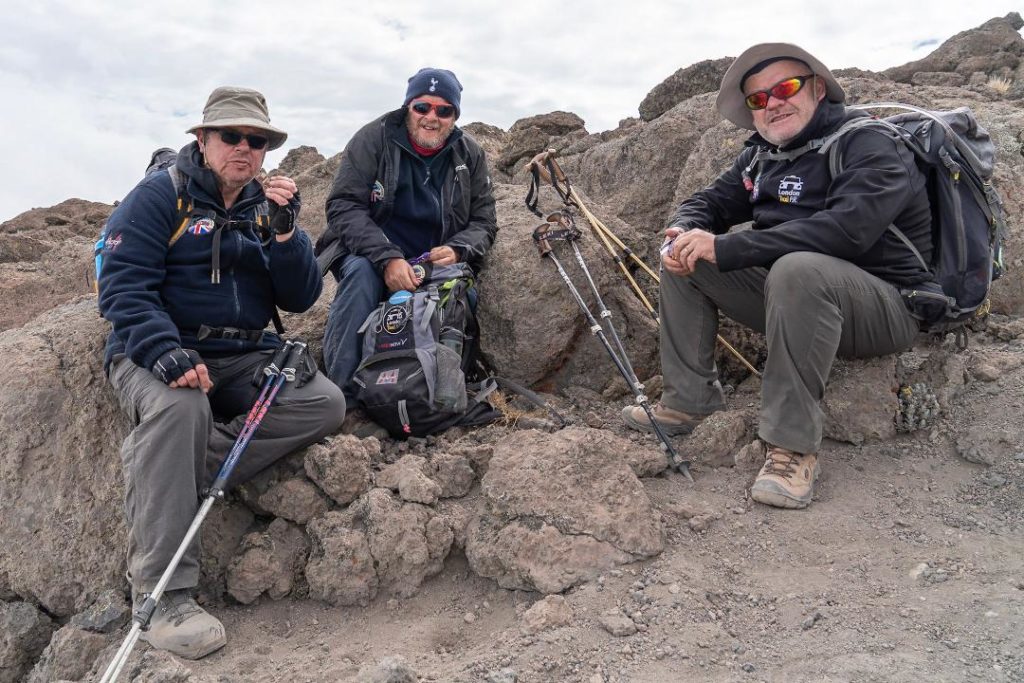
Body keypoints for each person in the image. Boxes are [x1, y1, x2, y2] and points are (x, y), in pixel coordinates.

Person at [622, 43, 933, 510]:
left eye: (785, 88)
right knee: (687, 257)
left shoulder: (868, 143)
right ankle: (689, 401)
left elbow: (846, 231)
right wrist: (686, 231)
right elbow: (708, 202)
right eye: (758, 99)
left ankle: (791, 447)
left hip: (888, 307)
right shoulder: (760, 157)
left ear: (818, 89)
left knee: (797, 266)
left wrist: (727, 245)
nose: (772, 103)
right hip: (800, 303)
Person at [98, 86, 345, 658]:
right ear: (203, 140)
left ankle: (174, 463)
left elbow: (302, 294)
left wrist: (286, 233)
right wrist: (166, 353)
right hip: (158, 348)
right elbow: (122, 287)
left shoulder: (266, 206)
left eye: (256, 140)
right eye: (231, 136)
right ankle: (164, 596)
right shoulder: (160, 197)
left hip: (245, 353)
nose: (244, 148)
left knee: (323, 403)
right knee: (181, 407)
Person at [317, 68, 497, 398]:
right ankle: (341, 395)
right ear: (408, 107)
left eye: (444, 110)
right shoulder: (373, 139)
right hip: (370, 253)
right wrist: (387, 258)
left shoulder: (470, 154)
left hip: (432, 260)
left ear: (454, 116)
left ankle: (439, 392)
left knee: (462, 294)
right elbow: (343, 205)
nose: (432, 117)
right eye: (422, 107)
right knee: (359, 277)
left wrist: (458, 249)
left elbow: (484, 221)